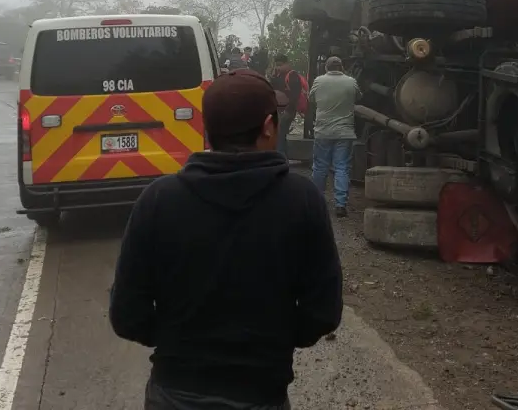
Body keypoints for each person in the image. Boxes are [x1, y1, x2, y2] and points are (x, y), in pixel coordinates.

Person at [109, 68, 343, 410]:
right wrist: (274, 341)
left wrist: (178, 340)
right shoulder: (302, 200)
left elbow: (127, 315)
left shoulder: (158, 200)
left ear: (207, 131)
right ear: (267, 128)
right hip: (262, 393)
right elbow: (323, 312)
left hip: (173, 392)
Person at [308, 56, 362, 217]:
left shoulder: (318, 81)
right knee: (342, 167)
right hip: (344, 132)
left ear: (326, 67)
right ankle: (340, 205)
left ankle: (317, 201)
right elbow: (358, 96)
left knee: (320, 166)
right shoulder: (351, 81)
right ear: (342, 67)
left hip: (323, 131)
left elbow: (310, 99)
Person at [272, 54, 305, 158]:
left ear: (287, 64)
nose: (278, 67)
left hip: (287, 110)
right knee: (281, 135)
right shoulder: (277, 75)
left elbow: (295, 94)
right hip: (279, 109)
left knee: (280, 135)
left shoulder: (292, 75)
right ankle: (283, 156)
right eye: (276, 65)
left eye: (280, 65)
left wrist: (289, 109)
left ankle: (280, 157)